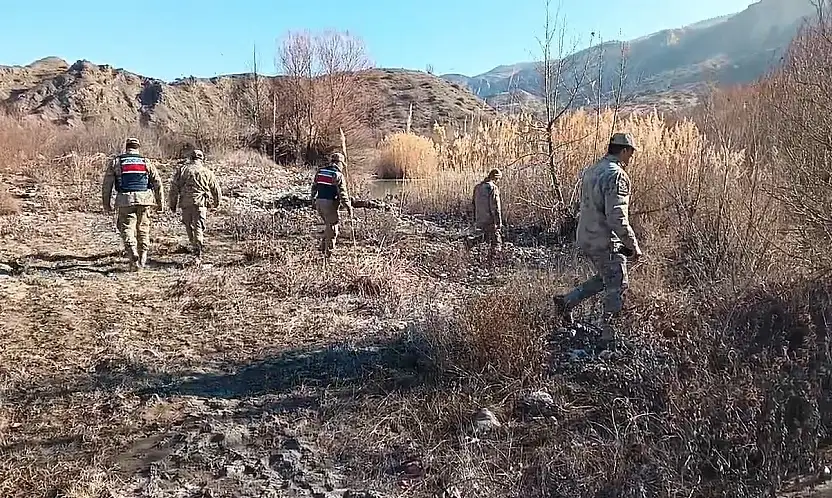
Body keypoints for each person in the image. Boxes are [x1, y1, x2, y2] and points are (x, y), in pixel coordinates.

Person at [556, 133, 642, 343]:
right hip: (606, 241)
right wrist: (633, 246)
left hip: (587, 236)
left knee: (606, 277)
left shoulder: (593, 170)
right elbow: (617, 218)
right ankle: (609, 339)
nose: (631, 157)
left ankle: (566, 302)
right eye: (631, 152)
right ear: (624, 151)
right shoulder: (617, 175)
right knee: (618, 284)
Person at [101, 137, 164, 271]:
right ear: (138, 147)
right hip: (145, 199)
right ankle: (143, 257)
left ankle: (132, 251)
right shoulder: (145, 162)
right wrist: (160, 203)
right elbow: (157, 183)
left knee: (126, 227)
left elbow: (107, 185)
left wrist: (106, 204)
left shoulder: (117, 162)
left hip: (125, 199)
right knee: (143, 228)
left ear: (126, 147)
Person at [168, 149, 222, 264]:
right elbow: (216, 189)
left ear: (191, 158)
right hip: (201, 203)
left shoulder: (182, 170)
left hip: (186, 203)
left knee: (189, 226)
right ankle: (198, 252)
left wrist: (172, 204)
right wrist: (217, 202)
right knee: (199, 226)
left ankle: (195, 247)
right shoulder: (207, 172)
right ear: (201, 159)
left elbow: (174, 188)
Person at [310, 152, 353, 256]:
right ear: (339, 163)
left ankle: (323, 247)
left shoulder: (320, 171)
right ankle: (328, 253)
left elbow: (314, 187)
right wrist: (348, 207)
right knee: (333, 228)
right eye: (342, 164)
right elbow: (343, 194)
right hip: (329, 203)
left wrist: (313, 200)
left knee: (328, 226)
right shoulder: (338, 175)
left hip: (319, 202)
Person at [468, 168, 504, 263]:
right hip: (490, 220)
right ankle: (493, 262)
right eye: (499, 179)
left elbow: (473, 204)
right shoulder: (493, 188)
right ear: (496, 178)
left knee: (483, 238)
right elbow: (495, 207)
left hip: (479, 219)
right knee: (496, 242)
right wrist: (498, 223)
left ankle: (469, 245)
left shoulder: (477, 187)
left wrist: (474, 219)